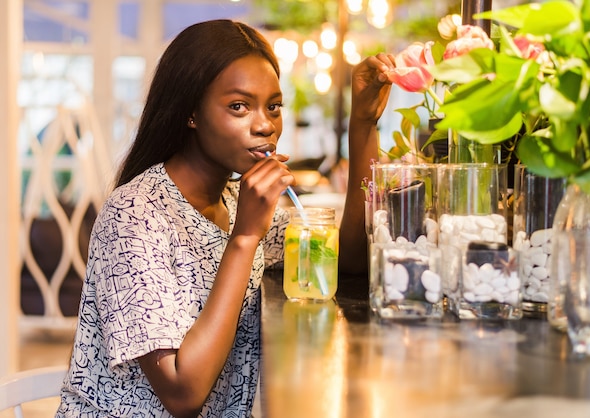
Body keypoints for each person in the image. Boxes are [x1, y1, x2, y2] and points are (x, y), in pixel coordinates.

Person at [56, 19, 394, 418]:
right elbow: (182, 392)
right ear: (192, 113)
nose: (265, 124)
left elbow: (349, 260)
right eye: (239, 106)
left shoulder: (235, 203)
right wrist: (246, 237)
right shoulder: (134, 215)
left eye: (273, 106)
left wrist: (363, 124)